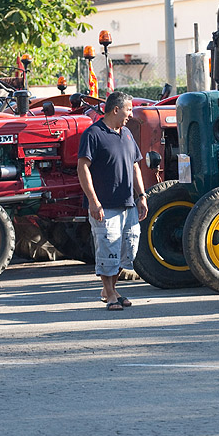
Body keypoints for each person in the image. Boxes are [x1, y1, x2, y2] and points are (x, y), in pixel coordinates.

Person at [77, 91, 148, 310]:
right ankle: (109, 294)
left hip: (128, 204)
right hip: (104, 206)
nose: (131, 114)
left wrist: (142, 196)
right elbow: (83, 167)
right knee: (107, 250)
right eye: (128, 109)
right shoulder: (93, 134)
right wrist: (93, 201)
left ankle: (111, 289)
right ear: (116, 109)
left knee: (128, 250)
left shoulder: (126, 133)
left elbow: (135, 165)